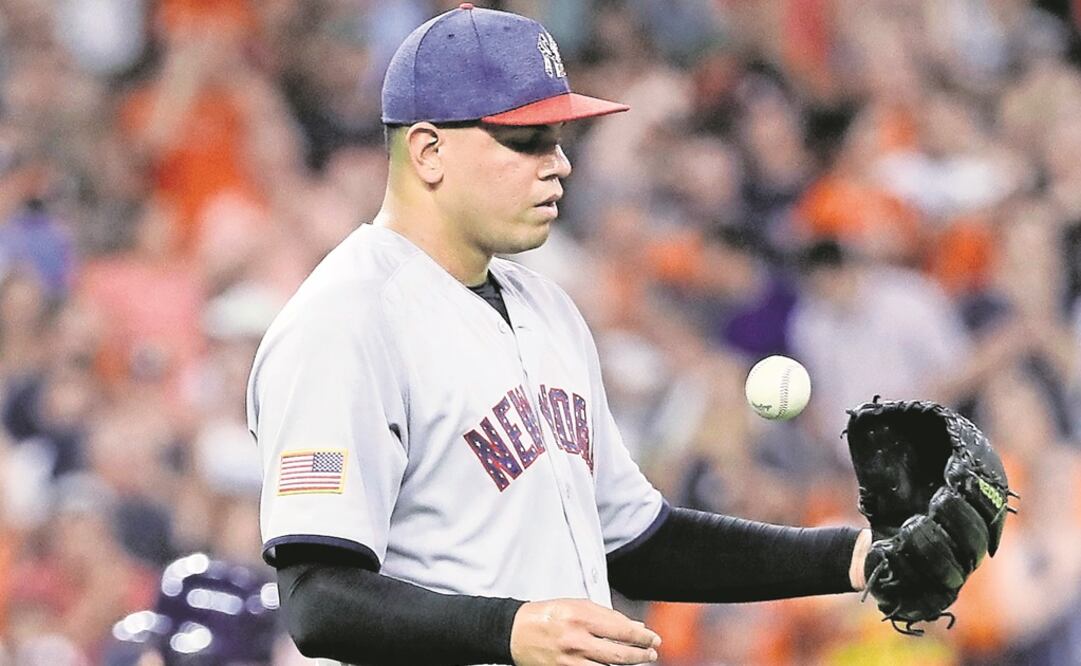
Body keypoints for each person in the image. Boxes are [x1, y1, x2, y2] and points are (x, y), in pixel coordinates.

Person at [247, 6, 874, 665]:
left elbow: (639, 543)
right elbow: (318, 600)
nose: (559, 165)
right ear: (428, 151)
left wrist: (852, 557)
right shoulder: (344, 321)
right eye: (526, 141)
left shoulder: (545, 307)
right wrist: (510, 631)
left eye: (558, 139)